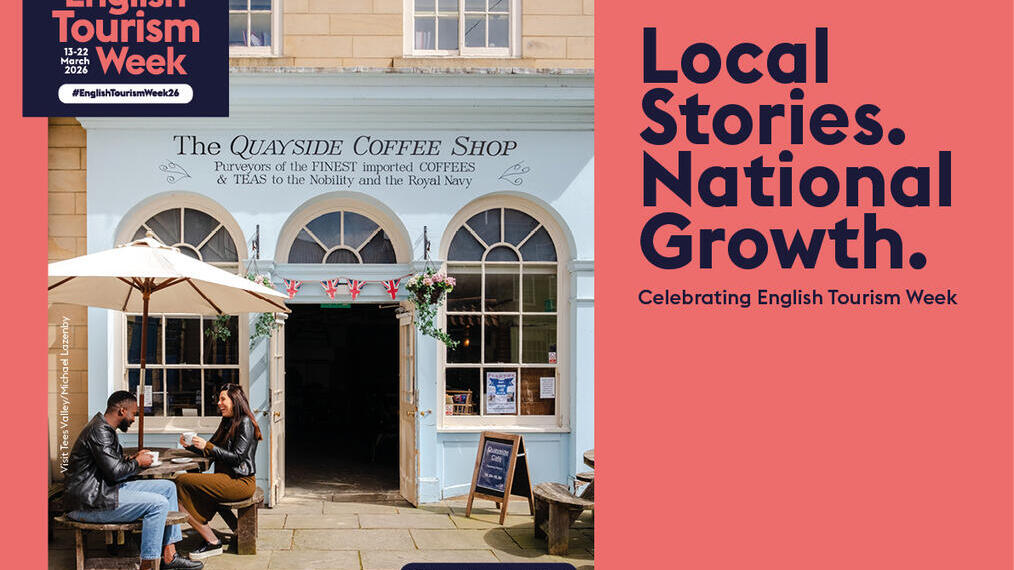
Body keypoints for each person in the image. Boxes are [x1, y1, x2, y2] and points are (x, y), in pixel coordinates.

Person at [64, 391, 203, 570]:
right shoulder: (99, 431)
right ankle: (148, 565)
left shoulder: (104, 428)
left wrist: (133, 458)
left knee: (168, 487)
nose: (134, 419)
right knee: (158, 504)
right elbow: (115, 473)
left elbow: (111, 465)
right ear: (122, 411)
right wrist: (138, 463)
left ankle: (170, 556)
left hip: (103, 491)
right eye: (134, 414)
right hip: (87, 503)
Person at [175, 383, 260, 559]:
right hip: (226, 478)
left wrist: (208, 446)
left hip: (241, 482)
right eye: (218, 399)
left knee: (181, 482)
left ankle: (212, 542)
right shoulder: (227, 422)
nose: (219, 403)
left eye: (223, 399)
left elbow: (237, 457)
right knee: (184, 484)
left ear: (235, 400)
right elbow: (211, 449)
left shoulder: (245, 422)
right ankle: (206, 532)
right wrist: (191, 447)